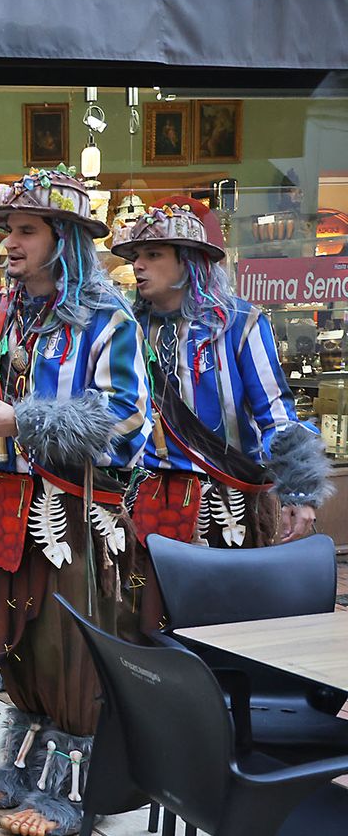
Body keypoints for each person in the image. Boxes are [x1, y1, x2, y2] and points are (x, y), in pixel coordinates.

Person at [0, 168, 150, 836]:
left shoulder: (107, 316)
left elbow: (126, 419)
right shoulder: (7, 309)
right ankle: (21, 766)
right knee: (16, 645)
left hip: (72, 513)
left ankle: (70, 792)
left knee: (70, 653)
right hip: (5, 507)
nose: (10, 243)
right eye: (9, 229)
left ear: (63, 239)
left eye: (26, 230)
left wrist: (24, 423)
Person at [117, 205, 329, 619]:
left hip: (227, 503)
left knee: (227, 624)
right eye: (136, 256)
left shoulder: (239, 322)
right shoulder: (126, 327)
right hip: (144, 501)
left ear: (189, 262)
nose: (138, 265)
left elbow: (275, 411)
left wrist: (299, 492)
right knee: (145, 623)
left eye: (154, 254)